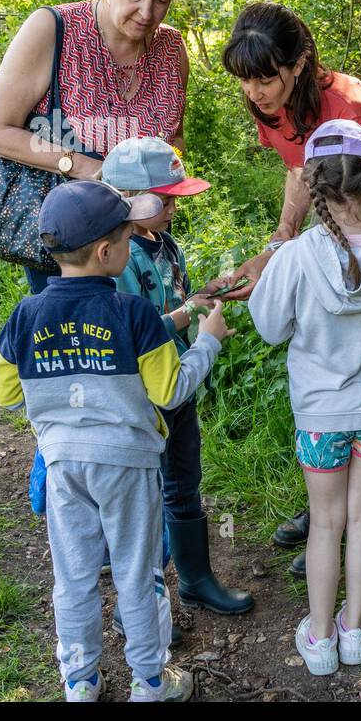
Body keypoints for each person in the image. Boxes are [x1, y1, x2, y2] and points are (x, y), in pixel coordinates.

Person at [0, 181, 233, 701]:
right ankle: (150, 682)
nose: (130, 244)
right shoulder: (132, 314)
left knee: (73, 577)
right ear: (107, 252)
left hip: (64, 466)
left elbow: (5, 391)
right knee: (139, 573)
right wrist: (208, 339)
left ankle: (79, 682)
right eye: (126, 237)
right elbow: (171, 390)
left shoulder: (25, 315)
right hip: (127, 464)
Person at [0, 0, 189, 519]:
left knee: (144, 365)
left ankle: (160, 526)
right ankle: (67, 508)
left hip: (138, 239)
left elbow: (169, 141)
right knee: (73, 378)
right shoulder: (53, 29)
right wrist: (85, 167)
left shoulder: (172, 50)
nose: (148, 13)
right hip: (67, 241)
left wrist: (160, 196)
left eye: (163, 0)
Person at [216, 0, 361, 577]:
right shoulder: (271, 105)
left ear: (300, 61)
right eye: (244, 79)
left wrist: (286, 268)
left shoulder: (346, 107)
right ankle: (327, 512)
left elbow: (354, 194)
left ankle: (346, 518)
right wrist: (278, 247)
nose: (255, 92)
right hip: (332, 210)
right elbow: (298, 171)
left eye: (265, 78)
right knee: (335, 339)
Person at [248, 119, 361, 676]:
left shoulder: (297, 256)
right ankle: (355, 632)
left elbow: (270, 327)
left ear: (313, 186)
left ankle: (321, 639)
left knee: (325, 524)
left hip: (321, 416)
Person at [103, 137, 255, 626]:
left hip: (178, 383)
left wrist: (202, 295)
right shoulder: (114, 258)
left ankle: (194, 580)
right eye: (164, 199)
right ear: (128, 198)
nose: (172, 208)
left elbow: (176, 297)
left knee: (184, 480)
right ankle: (142, 601)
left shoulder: (164, 242)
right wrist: (189, 316)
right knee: (143, 496)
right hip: (141, 396)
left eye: (174, 198)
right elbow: (134, 330)